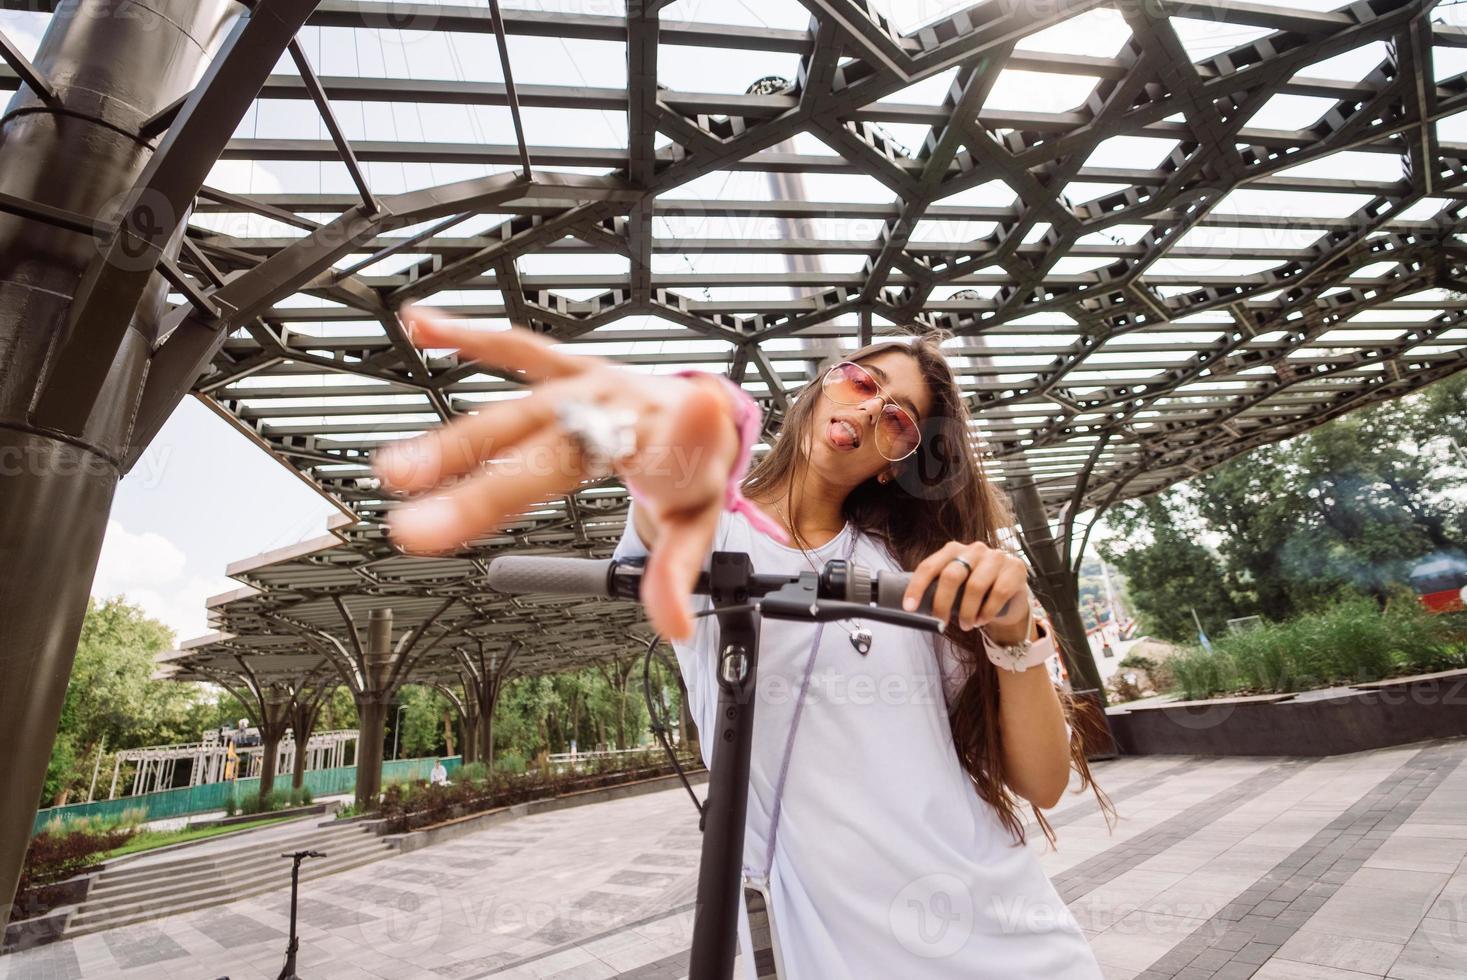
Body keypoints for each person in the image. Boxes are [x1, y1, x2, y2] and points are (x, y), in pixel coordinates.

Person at [375, 307, 1113, 979]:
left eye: (899, 421)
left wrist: (1013, 632)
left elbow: (1042, 784)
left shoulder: (910, 570)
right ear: (821, 388)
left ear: (895, 462)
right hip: (837, 943)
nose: (869, 409)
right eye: (862, 382)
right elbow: (673, 507)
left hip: (1009, 932)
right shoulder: (716, 532)